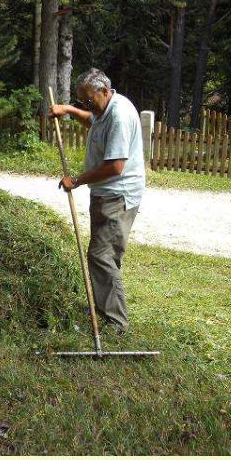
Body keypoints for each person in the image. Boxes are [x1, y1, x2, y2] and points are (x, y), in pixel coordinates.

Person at [50, 68, 145, 335]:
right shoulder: (104, 109)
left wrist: (77, 180)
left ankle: (115, 321)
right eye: (82, 101)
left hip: (117, 193)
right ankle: (104, 307)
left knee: (102, 256)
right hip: (106, 193)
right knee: (105, 254)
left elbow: (115, 167)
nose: (87, 106)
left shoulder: (119, 115)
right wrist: (69, 110)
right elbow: (92, 119)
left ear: (104, 91)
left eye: (89, 100)